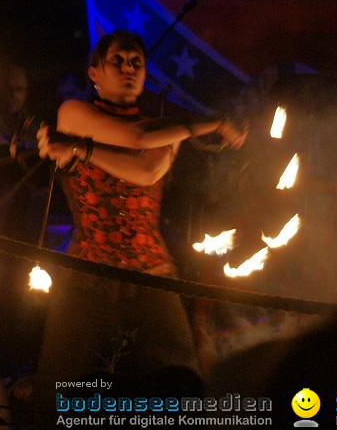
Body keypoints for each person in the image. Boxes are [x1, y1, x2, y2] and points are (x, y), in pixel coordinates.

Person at [32, 30, 247, 402]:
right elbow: (134, 138)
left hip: (152, 275)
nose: (128, 68)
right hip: (88, 274)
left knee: (178, 379)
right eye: (117, 60)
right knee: (62, 384)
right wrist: (211, 122)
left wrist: (82, 150)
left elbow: (145, 171)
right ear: (94, 73)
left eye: (137, 63)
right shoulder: (73, 112)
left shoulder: (166, 132)